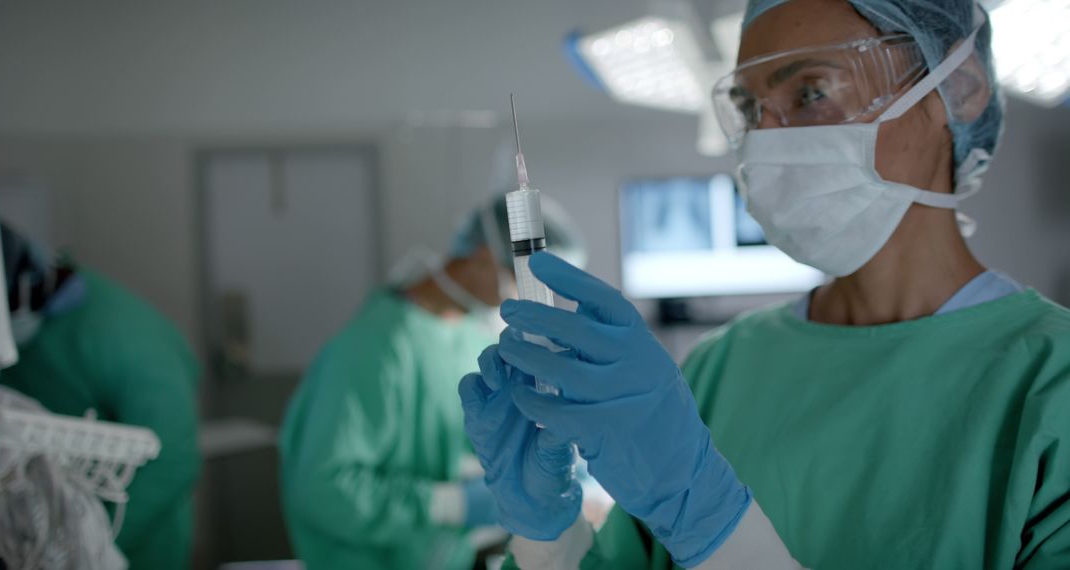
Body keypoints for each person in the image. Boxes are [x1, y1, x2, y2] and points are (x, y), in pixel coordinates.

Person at [459, 0, 1070, 568]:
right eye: (751, 109)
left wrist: (710, 519)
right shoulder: (721, 367)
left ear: (955, 90)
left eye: (811, 90)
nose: (768, 139)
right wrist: (547, 538)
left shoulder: (1051, 384)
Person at [278, 194, 585, 570]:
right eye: (528, 283)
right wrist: (449, 504)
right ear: (485, 258)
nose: (531, 299)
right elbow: (322, 491)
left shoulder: (476, 335)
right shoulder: (376, 348)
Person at [0, 223, 200, 570]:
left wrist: (91, 547)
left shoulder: (126, 340)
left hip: (135, 542)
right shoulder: (24, 339)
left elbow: (174, 457)